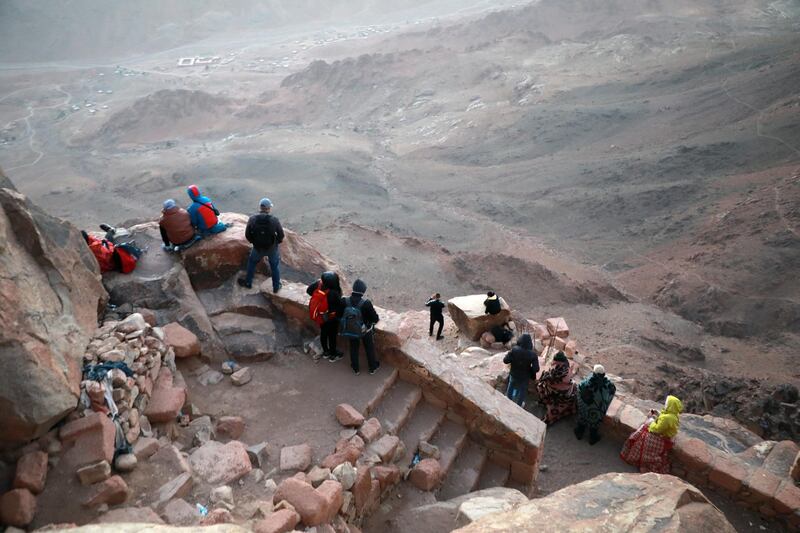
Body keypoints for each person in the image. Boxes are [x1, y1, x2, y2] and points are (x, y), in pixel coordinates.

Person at [620, 395, 683, 473]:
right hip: (665, 436)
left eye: (667, 404)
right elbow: (663, 422)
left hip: (662, 438)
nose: (665, 405)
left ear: (671, 406)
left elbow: (656, 429)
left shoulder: (667, 418)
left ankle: (636, 456)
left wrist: (651, 421)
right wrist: (658, 414)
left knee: (642, 436)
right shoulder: (673, 415)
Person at [238, 198, 284, 291]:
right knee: (274, 267)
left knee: (251, 263)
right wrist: (275, 243)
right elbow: (281, 235)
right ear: (268, 208)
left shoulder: (252, 219)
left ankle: (248, 283)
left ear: (260, 207)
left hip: (258, 248)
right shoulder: (274, 220)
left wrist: (254, 242)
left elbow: (247, 234)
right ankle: (276, 287)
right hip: (272, 249)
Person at [340, 279, 380, 376]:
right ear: (363, 291)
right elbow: (375, 318)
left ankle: (355, 368)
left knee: (353, 348)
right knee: (369, 348)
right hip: (365, 330)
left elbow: (340, 314)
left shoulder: (344, 301)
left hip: (351, 329)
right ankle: (372, 367)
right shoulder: (366, 303)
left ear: (353, 289)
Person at [575, 364, 616, 445]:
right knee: (595, 423)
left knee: (582, 418)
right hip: (597, 412)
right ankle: (592, 438)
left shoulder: (587, 382)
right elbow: (612, 392)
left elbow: (579, 389)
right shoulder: (608, 385)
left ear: (593, 373)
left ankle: (579, 433)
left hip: (584, 409)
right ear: (604, 374)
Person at [307, 271, 344, 361]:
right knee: (332, 336)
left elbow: (308, 291)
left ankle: (326, 352)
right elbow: (340, 306)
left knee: (323, 333)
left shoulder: (318, 284)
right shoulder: (334, 293)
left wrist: (319, 300)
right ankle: (333, 354)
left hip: (320, 316)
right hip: (331, 318)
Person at [536, 351, 577, 425]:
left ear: (559, 361)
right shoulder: (564, 366)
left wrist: (546, 377)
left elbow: (554, 380)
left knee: (541, 386)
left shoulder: (561, 372)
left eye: (556, 361)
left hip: (561, 392)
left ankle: (548, 410)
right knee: (540, 386)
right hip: (560, 388)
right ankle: (545, 402)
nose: (554, 362)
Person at [503, 334, 539, 407]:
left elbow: (505, 360)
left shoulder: (514, 349)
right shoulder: (533, 354)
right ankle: (519, 405)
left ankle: (508, 400)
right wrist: (530, 370)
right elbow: (536, 369)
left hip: (514, 373)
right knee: (522, 390)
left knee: (511, 386)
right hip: (525, 376)